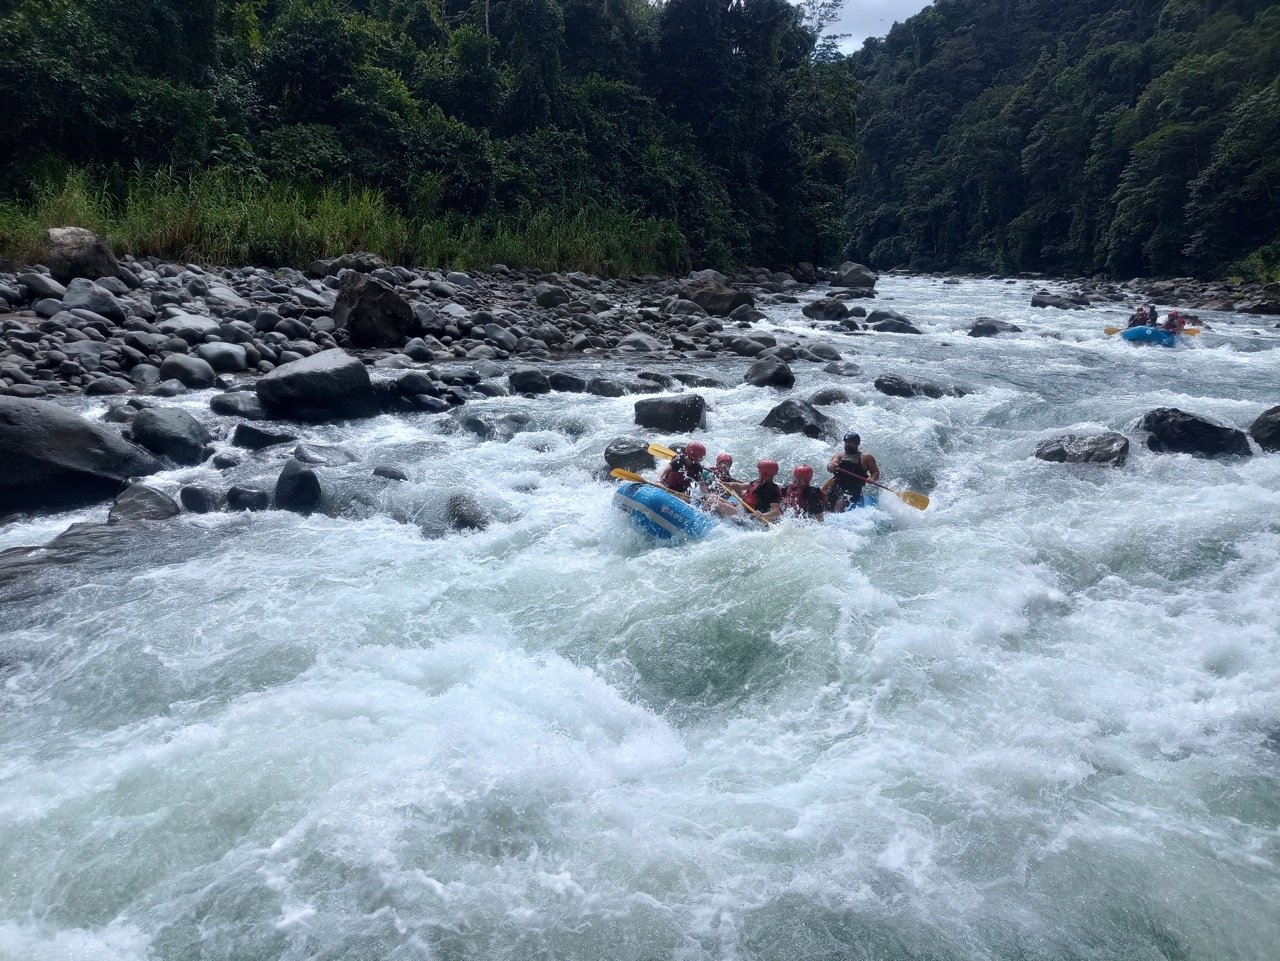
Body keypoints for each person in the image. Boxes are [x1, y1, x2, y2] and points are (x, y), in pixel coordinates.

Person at [825, 432, 880, 513]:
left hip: (853, 490)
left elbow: (875, 472)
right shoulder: (839, 456)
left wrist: (872, 478)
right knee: (823, 504)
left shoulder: (866, 457)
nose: (847, 444)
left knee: (839, 506)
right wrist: (831, 466)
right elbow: (830, 466)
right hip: (836, 487)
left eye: (850, 442)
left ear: (857, 443)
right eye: (846, 442)